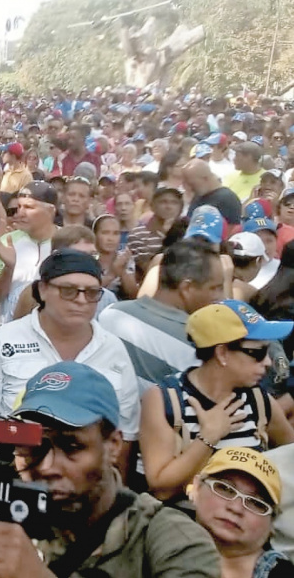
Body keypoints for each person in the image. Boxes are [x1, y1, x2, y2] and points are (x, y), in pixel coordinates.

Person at [0, 362, 220, 578]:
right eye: (34, 447)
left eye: (72, 447)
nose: (48, 466)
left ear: (112, 445)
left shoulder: (169, 540)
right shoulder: (10, 517)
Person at [0, 249, 140, 466]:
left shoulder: (113, 349)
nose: (81, 300)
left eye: (91, 293)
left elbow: (125, 435)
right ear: (43, 290)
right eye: (69, 291)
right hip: (19, 471)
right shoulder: (3, 342)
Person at [139, 300, 294, 503]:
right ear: (222, 353)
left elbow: (290, 456)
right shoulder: (166, 399)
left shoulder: (259, 401)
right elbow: (160, 488)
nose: (267, 362)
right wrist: (208, 436)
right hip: (185, 527)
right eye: (257, 353)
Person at [100, 239, 225, 393]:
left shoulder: (110, 314)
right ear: (186, 288)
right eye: (215, 288)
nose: (221, 297)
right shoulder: (197, 346)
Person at [191, 448, 293, 577]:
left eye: (256, 503)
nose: (236, 508)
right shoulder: (161, 540)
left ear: (271, 524)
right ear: (196, 488)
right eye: (225, 488)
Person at [0, 181, 57, 324]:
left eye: (29, 207)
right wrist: (8, 268)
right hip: (11, 331)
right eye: (19, 207)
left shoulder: (67, 240)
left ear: (50, 211)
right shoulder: (5, 241)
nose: (21, 213)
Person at [127, 185, 184, 277]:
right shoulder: (137, 234)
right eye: (163, 202)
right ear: (152, 206)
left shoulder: (187, 233)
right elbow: (148, 269)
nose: (169, 206)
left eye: (174, 203)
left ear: (181, 208)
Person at [184, 158, 244, 226]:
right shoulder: (199, 195)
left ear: (205, 178)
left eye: (192, 184)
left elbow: (231, 229)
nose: (190, 188)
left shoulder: (227, 199)